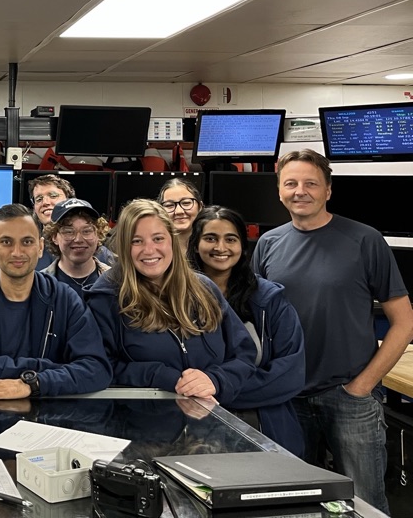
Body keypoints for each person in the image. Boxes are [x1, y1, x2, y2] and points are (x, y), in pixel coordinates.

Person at [253, 149, 413, 512]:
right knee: (295, 503)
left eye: (311, 183)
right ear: (279, 190)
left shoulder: (364, 239)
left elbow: (404, 322)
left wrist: (363, 386)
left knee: (365, 504)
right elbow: (256, 320)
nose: (300, 191)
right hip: (287, 397)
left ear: (328, 190)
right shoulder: (268, 244)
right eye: (291, 183)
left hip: (349, 398)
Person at [84, 199, 255, 406]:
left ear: (172, 241)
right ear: (123, 245)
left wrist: (215, 380)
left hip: (207, 423)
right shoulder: (106, 297)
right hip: (141, 427)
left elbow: (244, 353)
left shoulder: (204, 288)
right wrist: (162, 376)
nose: (149, 250)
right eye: (136, 241)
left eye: (158, 238)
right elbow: (100, 366)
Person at [0, 203, 112, 400]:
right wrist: (54, 369)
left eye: (27, 242)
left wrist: (34, 383)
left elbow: (96, 369)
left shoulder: (65, 299)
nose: (17, 252)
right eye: (6, 242)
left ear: (40, 247)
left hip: (51, 420)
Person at [187, 206, 306, 456]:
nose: (221, 247)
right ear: (195, 244)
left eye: (231, 239)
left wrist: (217, 388)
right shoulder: (174, 298)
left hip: (267, 427)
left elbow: (290, 373)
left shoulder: (270, 300)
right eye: (210, 238)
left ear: (242, 246)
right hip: (192, 430)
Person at [41, 198, 112, 298]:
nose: (78, 239)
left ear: (98, 235)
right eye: (69, 232)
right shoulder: (39, 286)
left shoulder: (118, 282)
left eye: (86, 231)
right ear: (54, 237)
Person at [157, 177, 204, 258]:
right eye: (169, 205)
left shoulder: (212, 246)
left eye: (186, 203)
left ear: (200, 207)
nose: (179, 211)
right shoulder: (155, 250)